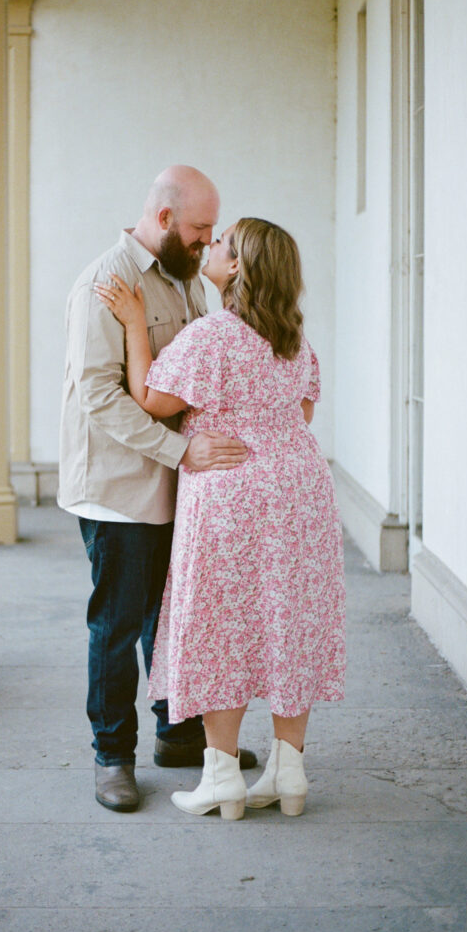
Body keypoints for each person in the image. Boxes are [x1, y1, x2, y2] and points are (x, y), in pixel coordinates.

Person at [95, 217, 346, 820]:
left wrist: (134, 324)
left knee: (222, 627)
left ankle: (223, 779)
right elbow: (303, 413)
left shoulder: (213, 336)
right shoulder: (294, 339)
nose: (209, 246)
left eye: (222, 242)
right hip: (301, 492)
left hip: (231, 493)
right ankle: (290, 775)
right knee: (290, 623)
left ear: (236, 268)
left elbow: (152, 400)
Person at [58, 166, 256, 814]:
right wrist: (182, 451)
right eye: (200, 229)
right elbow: (98, 395)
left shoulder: (182, 278)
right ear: (165, 219)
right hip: (119, 489)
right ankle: (111, 757)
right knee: (117, 625)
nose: (206, 242)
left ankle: (177, 734)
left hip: (180, 486)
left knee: (170, 619)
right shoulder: (106, 280)